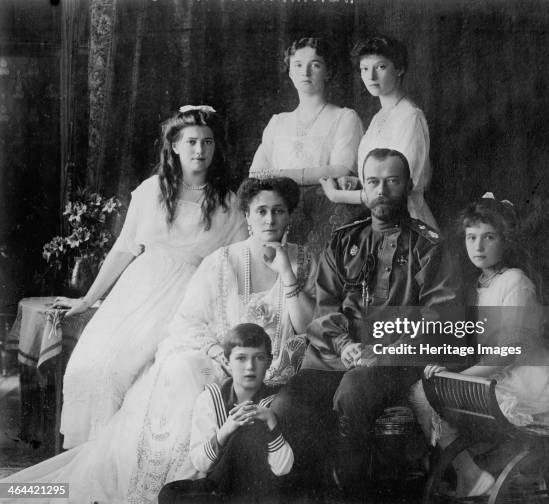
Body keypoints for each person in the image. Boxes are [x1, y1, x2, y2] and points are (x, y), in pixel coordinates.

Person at [0, 177, 315, 504]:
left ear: (289, 215)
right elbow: (186, 322)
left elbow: (307, 324)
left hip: (279, 368)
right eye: (261, 211)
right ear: (247, 216)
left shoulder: (303, 259)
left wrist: (287, 273)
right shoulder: (221, 262)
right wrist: (215, 353)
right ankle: (182, 485)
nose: (269, 220)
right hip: (223, 361)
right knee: (184, 371)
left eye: (278, 211)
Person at [54, 105, 247, 448]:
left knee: (143, 379)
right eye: (191, 142)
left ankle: (124, 461)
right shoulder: (151, 191)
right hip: (139, 290)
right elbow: (124, 248)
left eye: (207, 142)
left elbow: (238, 264)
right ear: (174, 145)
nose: (199, 151)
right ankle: (93, 458)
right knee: (93, 367)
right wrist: (87, 299)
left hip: (190, 297)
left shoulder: (228, 204)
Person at [271, 148, 458, 495]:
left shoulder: (428, 247)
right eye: (373, 181)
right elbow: (324, 308)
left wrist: (383, 353)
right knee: (287, 404)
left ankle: (352, 493)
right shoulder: (344, 241)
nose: (382, 191)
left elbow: (439, 318)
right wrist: (346, 345)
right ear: (364, 187)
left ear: (408, 185)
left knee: (353, 392)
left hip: (397, 360)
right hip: (338, 355)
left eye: (392, 181)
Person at [414, 193, 549, 497]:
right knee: (424, 391)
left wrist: (460, 379)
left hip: (532, 384)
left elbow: (506, 354)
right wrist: (448, 367)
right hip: (497, 376)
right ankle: (470, 475)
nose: (478, 246)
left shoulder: (515, 281)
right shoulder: (474, 285)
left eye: (488, 237)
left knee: (435, 393)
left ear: (505, 241)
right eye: (471, 237)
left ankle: (476, 476)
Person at [249, 36, 364, 255]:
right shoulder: (278, 122)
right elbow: (256, 172)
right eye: (298, 65)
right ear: (290, 72)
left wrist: (279, 174)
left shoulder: (345, 118)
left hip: (324, 219)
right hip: (278, 219)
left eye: (316, 65)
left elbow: (342, 169)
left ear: (328, 72)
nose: (305, 72)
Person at [158, 323, 294, 504]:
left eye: (258, 358)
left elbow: (283, 469)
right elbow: (201, 463)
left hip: (261, 491)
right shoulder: (211, 399)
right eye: (241, 358)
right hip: (221, 488)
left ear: (269, 361)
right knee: (170, 493)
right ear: (227, 361)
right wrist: (227, 428)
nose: (250, 367)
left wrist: (271, 421)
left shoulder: (275, 401)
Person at [319, 34, 437, 228]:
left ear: (399, 69)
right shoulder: (378, 117)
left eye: (381, 67)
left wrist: (336, 195)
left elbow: (396, 189)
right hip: (377, 218)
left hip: (403, 221)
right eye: (364, 69)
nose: (371, 77)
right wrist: (357, 181)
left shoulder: (410, 117)